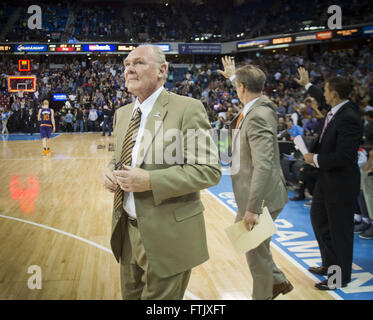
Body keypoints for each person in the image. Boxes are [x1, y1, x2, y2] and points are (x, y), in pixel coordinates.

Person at [101, 45, 221, 300]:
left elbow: (209, 170)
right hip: (127, 231)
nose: (129, 69)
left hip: (168, 235)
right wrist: (110, 170)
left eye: (139, 63)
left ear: (162, 70)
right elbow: (118, 157)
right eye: (126, 64)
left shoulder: (188, 108)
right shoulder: (123, 114)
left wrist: (151, 181)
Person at [218, 56, 292, 300]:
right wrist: (233, 77)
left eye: (237, 85)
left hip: (262, 196)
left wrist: (253, 208)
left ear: (242, 88)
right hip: (257, 192)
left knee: (253, 246)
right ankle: (277, 282)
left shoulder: (258, 115)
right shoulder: (256, 104)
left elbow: (264, 165)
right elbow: (245, 90)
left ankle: (266, 292)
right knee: (254, 245)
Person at [297, 69, 363, 290]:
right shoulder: (337, 109)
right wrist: (308, 85)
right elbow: (321, 99)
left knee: (339, 232)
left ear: (334, 94)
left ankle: (338, 277)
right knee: (319, 221)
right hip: (326, 180)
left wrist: (314, 158)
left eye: (325, 90)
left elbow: (345, 157)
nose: (323, 94)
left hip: (341, 183)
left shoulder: (350, 117)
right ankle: (328, 265)